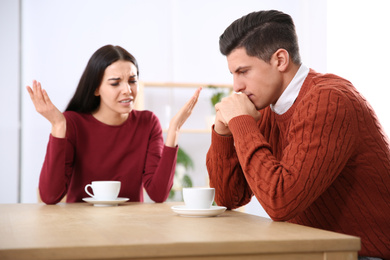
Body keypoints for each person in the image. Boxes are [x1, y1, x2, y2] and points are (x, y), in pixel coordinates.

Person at [206, 10, 389, 259]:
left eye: (243, 71)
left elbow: (280, 202)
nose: (236, 86)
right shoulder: (268, 107)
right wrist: (223, 132)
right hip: (316, 251)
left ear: (280, 60)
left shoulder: (329, 100)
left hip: (364, 255)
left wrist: (242, 123)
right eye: (233, 75)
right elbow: (228, 198)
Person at [27, 44, 201, 205]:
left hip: (130, 229)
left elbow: (158, 194)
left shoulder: (147, 123)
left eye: (132, 81)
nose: (127, 89)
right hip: (79, 229)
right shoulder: (72, 123)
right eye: (115, 83)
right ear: (96, 88)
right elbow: (50, 196)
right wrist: (58, 124)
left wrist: (174, 131)